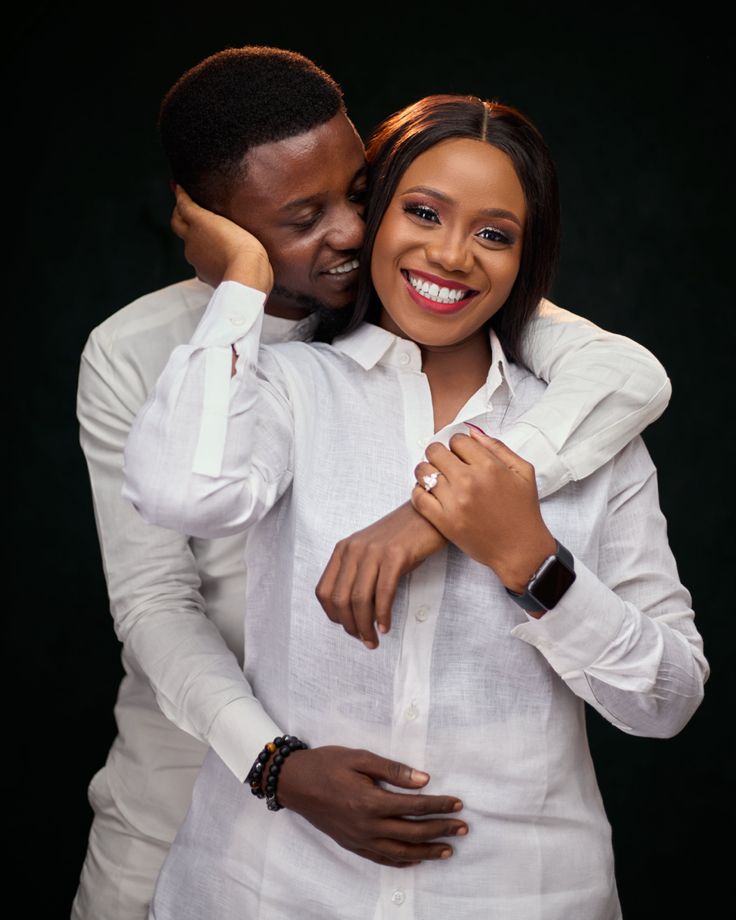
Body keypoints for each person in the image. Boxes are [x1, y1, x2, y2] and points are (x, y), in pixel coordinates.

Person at [74, 49, 675, 920]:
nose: (352, 233)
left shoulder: (422, 288)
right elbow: (157, 602)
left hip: (450, 839)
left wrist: (440, 516)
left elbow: (628, 374)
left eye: (361, 193)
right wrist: (275, 765)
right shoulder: (142, 351)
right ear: (215, 226)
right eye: (301, 217)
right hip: (195, 781)